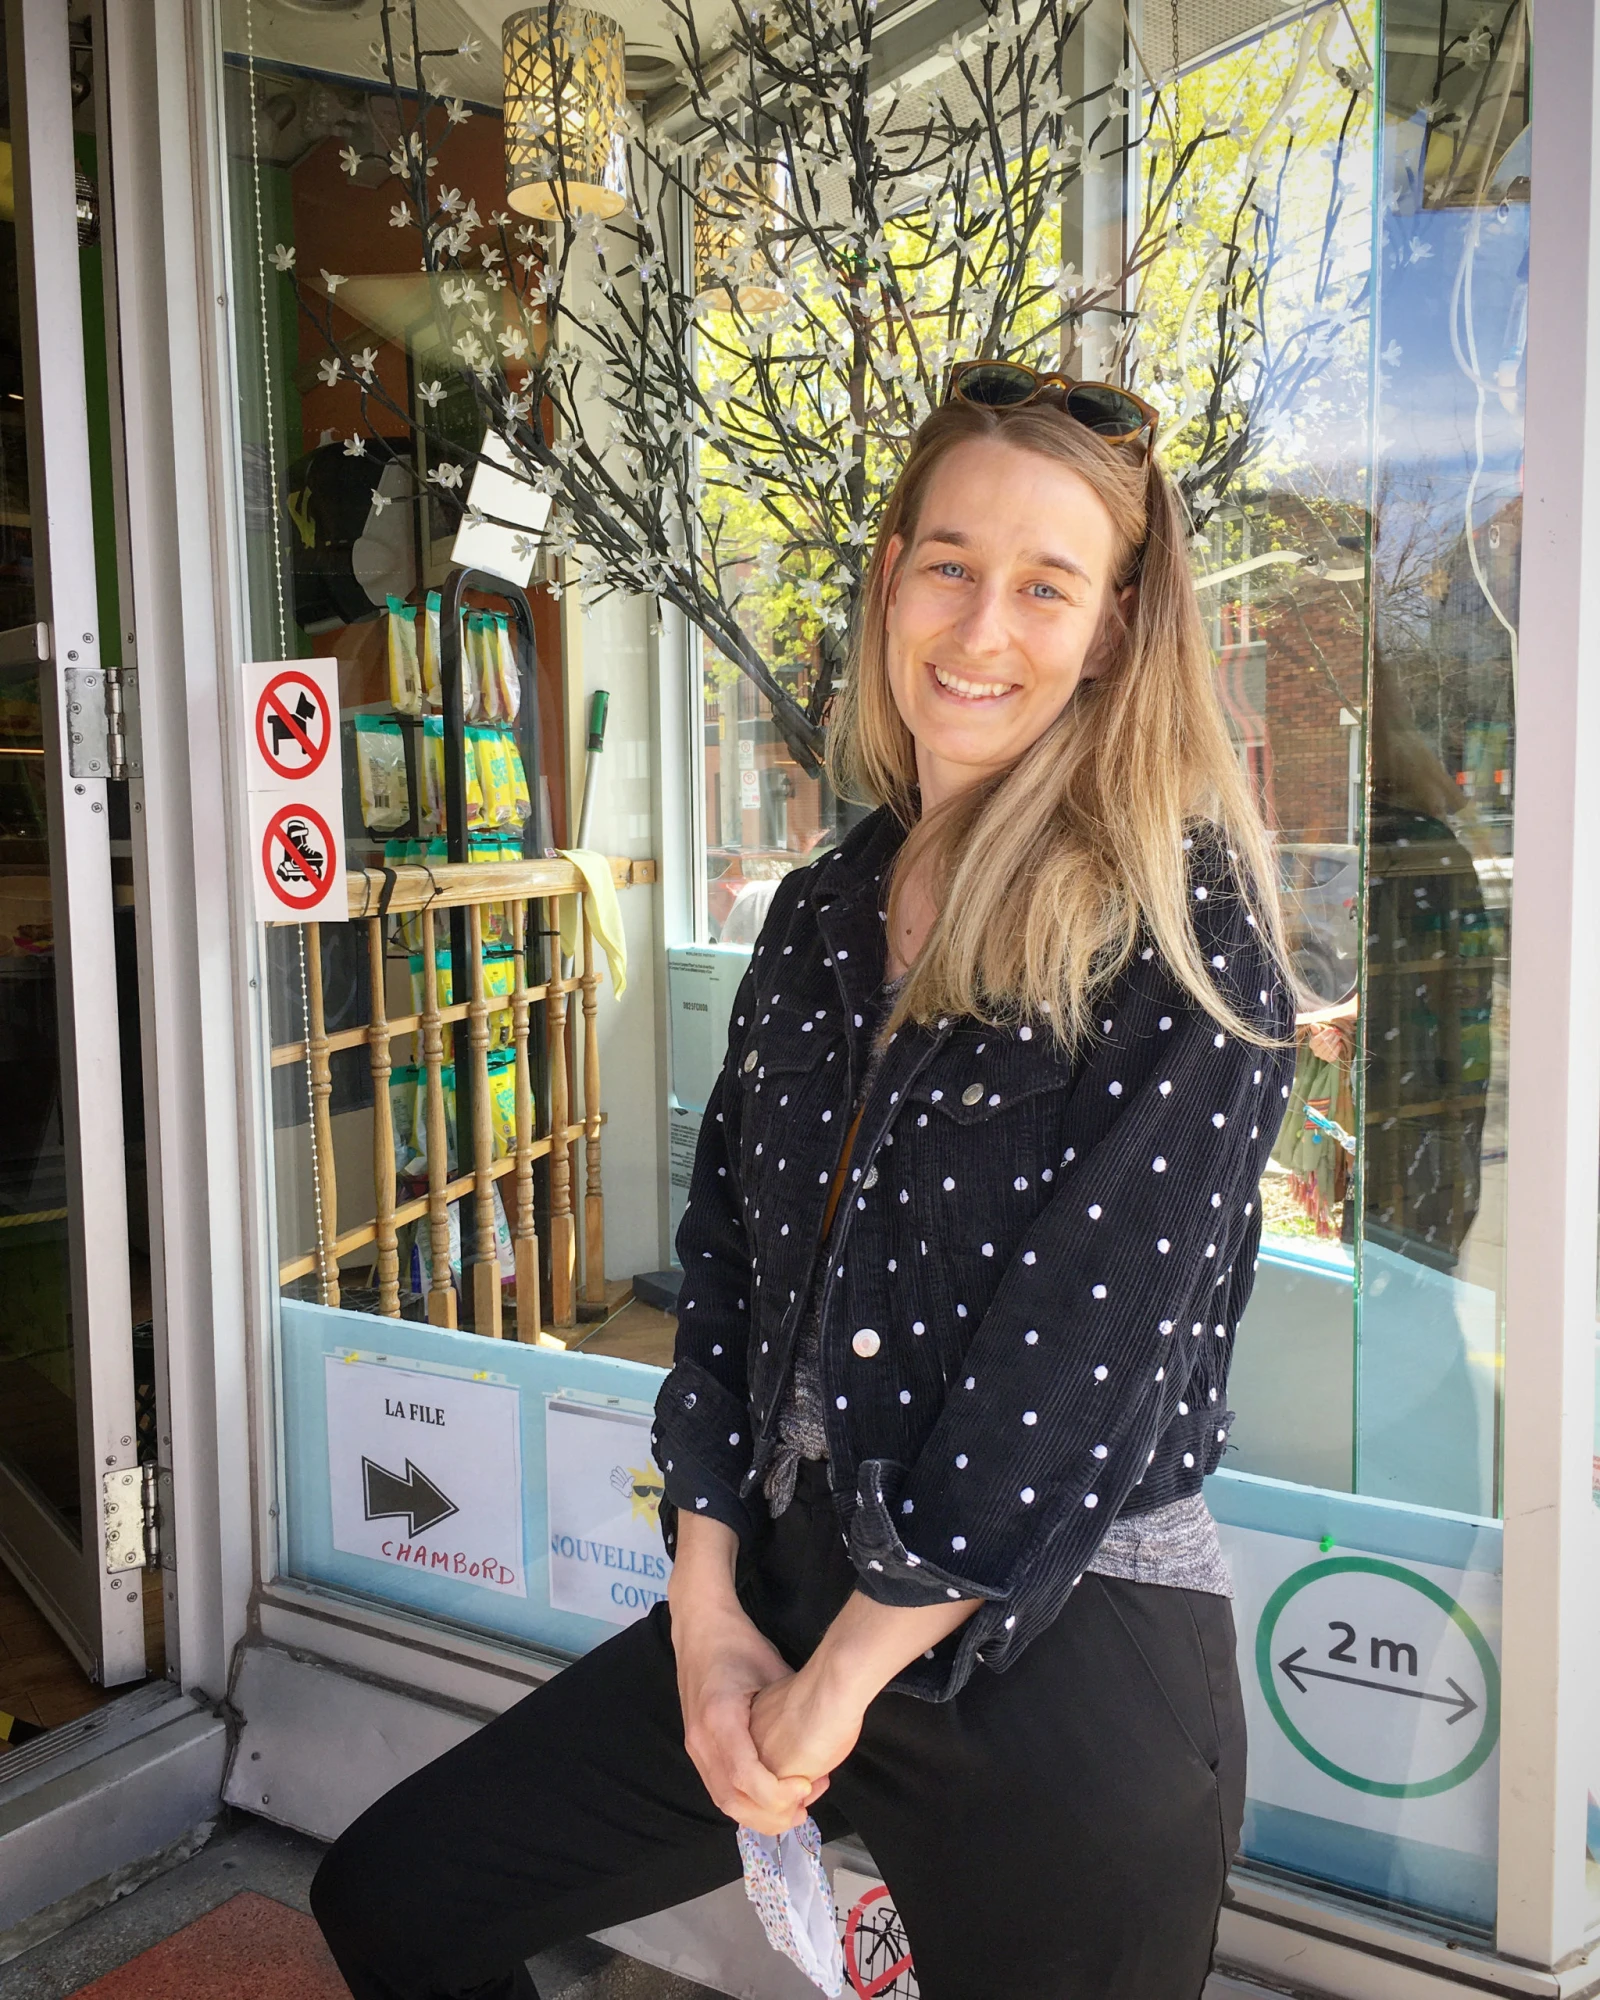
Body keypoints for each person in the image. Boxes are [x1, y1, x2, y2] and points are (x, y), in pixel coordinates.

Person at [311, 362, 1298, 2000]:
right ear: (893, 575)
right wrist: (706, 1607)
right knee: (399, 1900)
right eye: (950, 564)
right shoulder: (826, 906)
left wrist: (840, 1680)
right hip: (783, 1580)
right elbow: (729, 1271)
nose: (981, 628)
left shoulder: (1180, 932)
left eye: (1045, 585)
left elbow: (1071, 1369)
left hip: (1061, 1643)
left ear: (1117, 626)